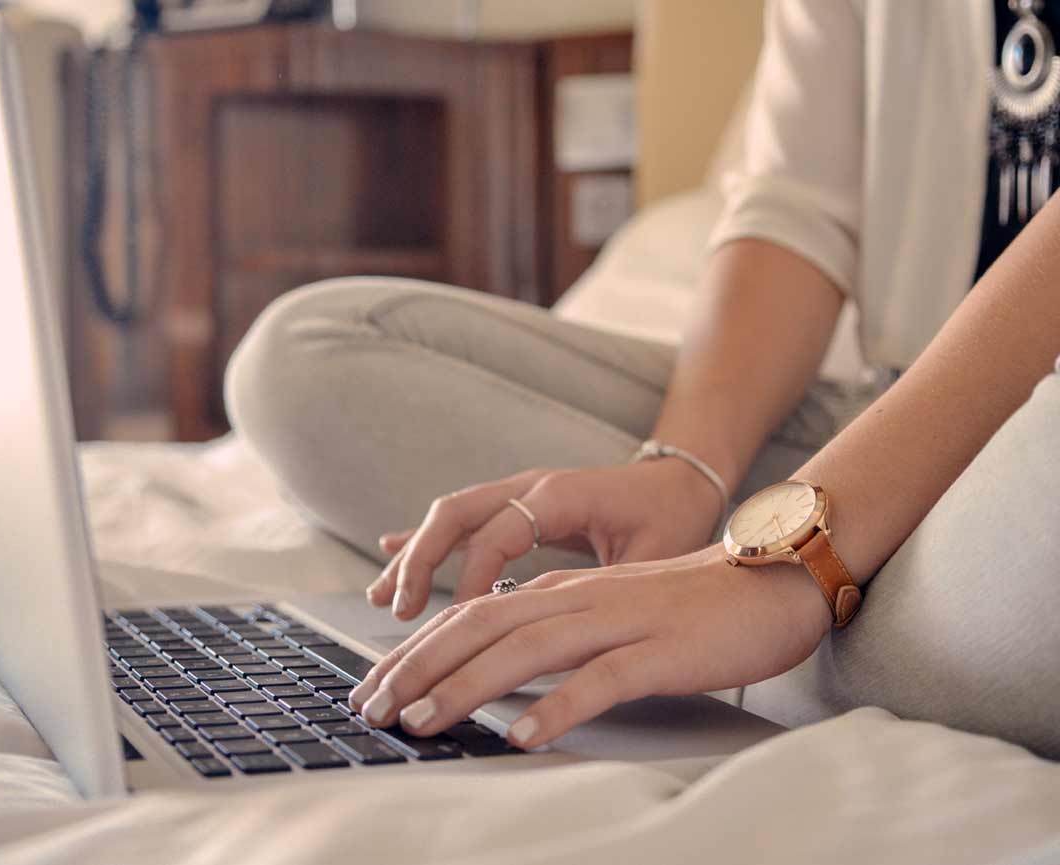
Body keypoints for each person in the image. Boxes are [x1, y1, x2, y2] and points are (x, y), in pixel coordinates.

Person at [224, 0, 1060, 757]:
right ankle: (782, 609)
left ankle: (763, 618)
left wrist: (785, 570)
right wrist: (686, 465)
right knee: (309, 359)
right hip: (891, 409)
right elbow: (797, 206)